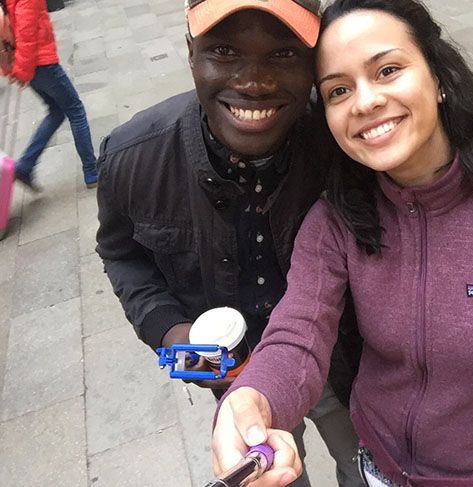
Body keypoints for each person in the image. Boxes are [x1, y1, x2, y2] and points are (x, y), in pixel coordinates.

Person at [211, 0, 473, 486]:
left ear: (438, 77)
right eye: (338, 89)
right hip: (375, 469)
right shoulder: (337, 219)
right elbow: (299, 333)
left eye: (387, 70)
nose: (365, 102)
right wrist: (252, 399)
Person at [95, 1, 363, 486]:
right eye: (223, 50)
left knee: (364, 463)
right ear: (190, 52)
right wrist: (174, 343)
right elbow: (121, 254)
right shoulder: (134, 158)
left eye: (282, 54)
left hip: (337, 359)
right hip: (227, 368)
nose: (254, 81)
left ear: (313, 63)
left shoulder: (343, 146)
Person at [1, 0, 98, 192]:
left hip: (32, 66)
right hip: (42, 65)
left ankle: (25, 166)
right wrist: (22, 72)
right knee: (76, 111)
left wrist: (19, 70)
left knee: (56, 111)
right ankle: (92, 171)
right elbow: (26, 36)